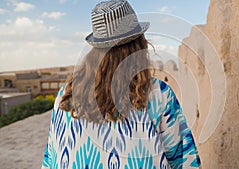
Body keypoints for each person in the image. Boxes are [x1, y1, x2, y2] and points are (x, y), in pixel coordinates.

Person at [41, 0, 201, 168]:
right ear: (140, 43)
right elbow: (184, 159)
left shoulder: (66, 93)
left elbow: (50, 158)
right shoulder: (157, 93)